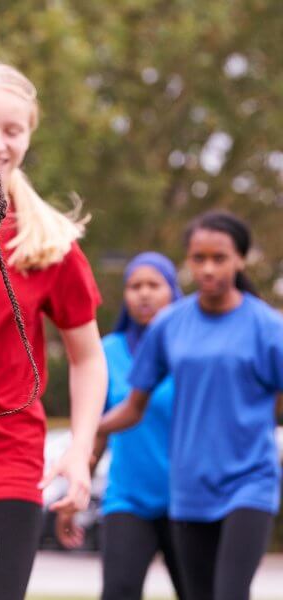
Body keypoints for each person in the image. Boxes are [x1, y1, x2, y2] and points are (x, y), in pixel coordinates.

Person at [0, 58, 108, 598]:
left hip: (8, 466)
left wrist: (80, 450)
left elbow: (86, 356)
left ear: (29, 136)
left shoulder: (47, 245)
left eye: (12, 130)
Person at [98, 210, 283, 600]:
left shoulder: (267, 327)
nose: (208, 268)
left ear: (240, 259)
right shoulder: (170, 325)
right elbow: (134, 406)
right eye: (199, 258)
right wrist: (91, 432)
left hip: (249, 482)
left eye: (219, 258)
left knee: (230, 593)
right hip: (189, 488)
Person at [55, 252, 186, 600]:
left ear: (173, 291)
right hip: (128, 499)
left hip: (189, 499)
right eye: (134, 286)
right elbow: (94, 430)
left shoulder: (192, 350)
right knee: (119, 591)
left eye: (154, 285)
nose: (143, 294)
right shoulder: (107, 353)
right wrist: (74, 495)